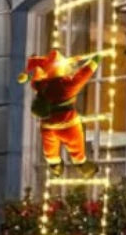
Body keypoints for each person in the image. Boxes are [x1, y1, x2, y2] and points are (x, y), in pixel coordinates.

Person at [18, 49, 102, 177]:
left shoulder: (42, 85)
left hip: (48, 126)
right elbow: (83, 75)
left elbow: (34, 81)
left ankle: (55, 165)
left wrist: (29, 75)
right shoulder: (67, 84)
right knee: (76, 145)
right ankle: (82, 164)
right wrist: (95, 60)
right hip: (68, 124)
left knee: (50, 149)